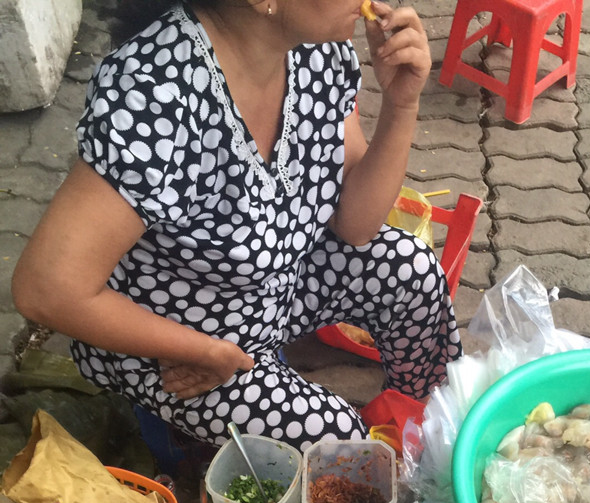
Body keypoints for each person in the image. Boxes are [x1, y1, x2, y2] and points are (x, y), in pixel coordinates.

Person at [12, 0, 462, 451]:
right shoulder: (155, 95)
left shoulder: (316, 50)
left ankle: (432, 435)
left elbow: (356, 226)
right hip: (172, 343)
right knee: (341, 445)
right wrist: (203, 351)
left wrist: (402, 103)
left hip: (278, 287)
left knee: (412, 270)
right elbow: (47, 288)